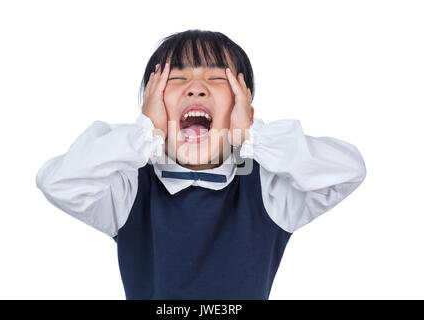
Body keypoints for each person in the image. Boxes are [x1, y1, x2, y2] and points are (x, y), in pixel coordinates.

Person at [35, 29, 367, 299]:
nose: (196, 89)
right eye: (175, 80)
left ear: (244, 110)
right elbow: (58, 182)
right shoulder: (127, 190)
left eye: (217, 79)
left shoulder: (270, 191)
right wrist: (143, 134)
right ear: (152, 108)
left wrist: (254, 137)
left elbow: (348, 170)